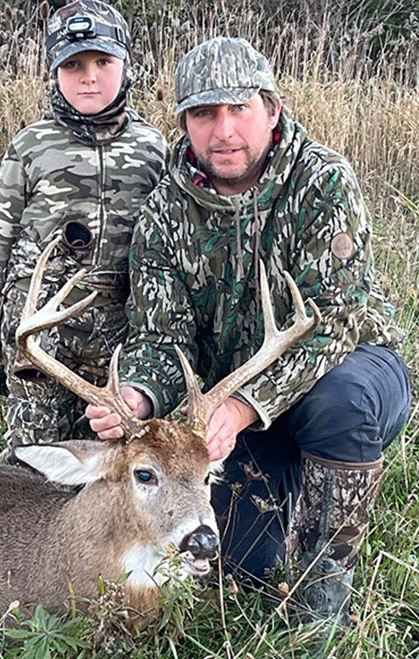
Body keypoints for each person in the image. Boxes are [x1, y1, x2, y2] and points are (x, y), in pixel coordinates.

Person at [85, 37, 411, 625]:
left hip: (345, 372)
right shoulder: (165, 210)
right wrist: (140, 392)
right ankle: (286, 499)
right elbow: (163, 336)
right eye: (204, 114)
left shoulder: (321, 182)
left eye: (240, 109)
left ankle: (324, 598)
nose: (224, 130)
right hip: (228, 407)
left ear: (273, 110)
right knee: (239, 569)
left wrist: (240, 409)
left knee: (342, 404)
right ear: (184, 122)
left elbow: (332, 322)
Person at [0, 0, 168, 457]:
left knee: (112, 450)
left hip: (119, 319)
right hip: (38, 322)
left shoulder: (153, 146)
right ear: (54, 72)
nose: (88, 76)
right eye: (72, 65)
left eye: (102, 62)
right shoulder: (32, 143)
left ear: (125, 64)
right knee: (35, 448)